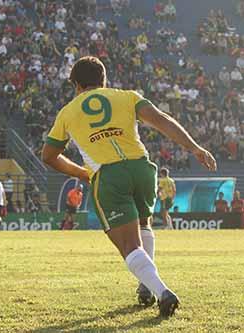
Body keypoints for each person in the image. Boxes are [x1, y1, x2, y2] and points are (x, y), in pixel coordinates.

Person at [42, 56, 216, 317]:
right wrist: (195, 148)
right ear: (104, 80)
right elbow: (160, 119)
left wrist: (83, 172)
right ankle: (146, 285)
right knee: (144, 225)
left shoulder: (67, 112)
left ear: (76, 84)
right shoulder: (127, 96)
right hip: (142, 169)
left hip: (109, 174)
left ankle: (162, 291)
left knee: (129, 246)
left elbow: (49, 155)